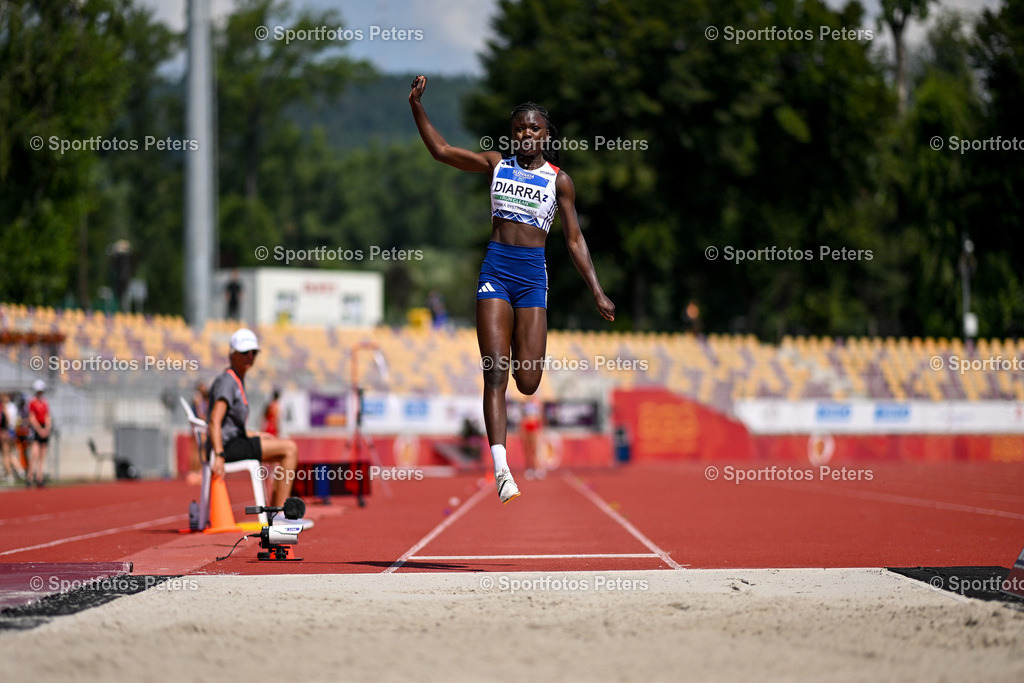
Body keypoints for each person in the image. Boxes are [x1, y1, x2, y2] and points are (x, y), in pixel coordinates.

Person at [409, 75, 615, 504]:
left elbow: (574, 239)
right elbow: (442, 151)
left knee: (528, 381)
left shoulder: (559, 181)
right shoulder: (495, 164)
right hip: (496, 272)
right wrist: (416, 106)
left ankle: (513, 417)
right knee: (495, 371)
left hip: (533, 279)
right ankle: (502, 468)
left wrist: (597, 290)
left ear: (546, 135)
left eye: (533, 128)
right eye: (519, 128)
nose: (525, 133)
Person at [207, 329, 298, 507]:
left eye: (253, 352)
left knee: (279, 444)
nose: (250, 357)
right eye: (244, 352)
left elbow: (230, 426)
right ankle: (280, 512)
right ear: (232, 354)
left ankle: (276, 509)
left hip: (233, 442)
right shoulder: (228, 382)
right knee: (290, 449)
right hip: (228, 446)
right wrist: (219, 454)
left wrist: (256, 434)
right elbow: (214, 420)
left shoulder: (236, 380)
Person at [27, 379, 52, 487]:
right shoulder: (32, 402)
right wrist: (39, 429)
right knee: (35, 454)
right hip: (36, 429)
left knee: (42, 455)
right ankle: (30, 476)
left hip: (43, 428)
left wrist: (47, 428)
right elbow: (32, 417)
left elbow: (47, 416)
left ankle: (39, 477)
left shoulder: (44, 402)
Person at [1, 393, 26, 484]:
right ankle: (19, 470)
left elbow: (8, 420)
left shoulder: (6, 408)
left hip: (5, 433)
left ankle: (10, 474)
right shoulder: (11, 407)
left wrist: (6, 431)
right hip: (10, 432)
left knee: (6, 454)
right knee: (9, 453)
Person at [520, 398, 545, 480]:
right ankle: (529, 469)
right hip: (526, 426)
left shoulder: (537, 403)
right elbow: (522, 417)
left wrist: (540, 430)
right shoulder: (524, 403)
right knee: (527, 450)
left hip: (534, 427)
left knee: (535, 449)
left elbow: (540, 418)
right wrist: (521, 430)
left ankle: (537, 468)